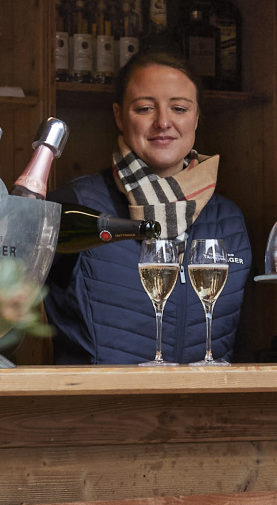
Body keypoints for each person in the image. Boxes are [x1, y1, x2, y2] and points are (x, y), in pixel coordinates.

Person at [45, 50, 252, 364]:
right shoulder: (76, 206)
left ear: (196, 117)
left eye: (179, 108)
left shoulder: (229, 219)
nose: (163, 122)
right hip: (97, 409)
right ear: (119, 115)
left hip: (207, 409)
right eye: (144, 108)